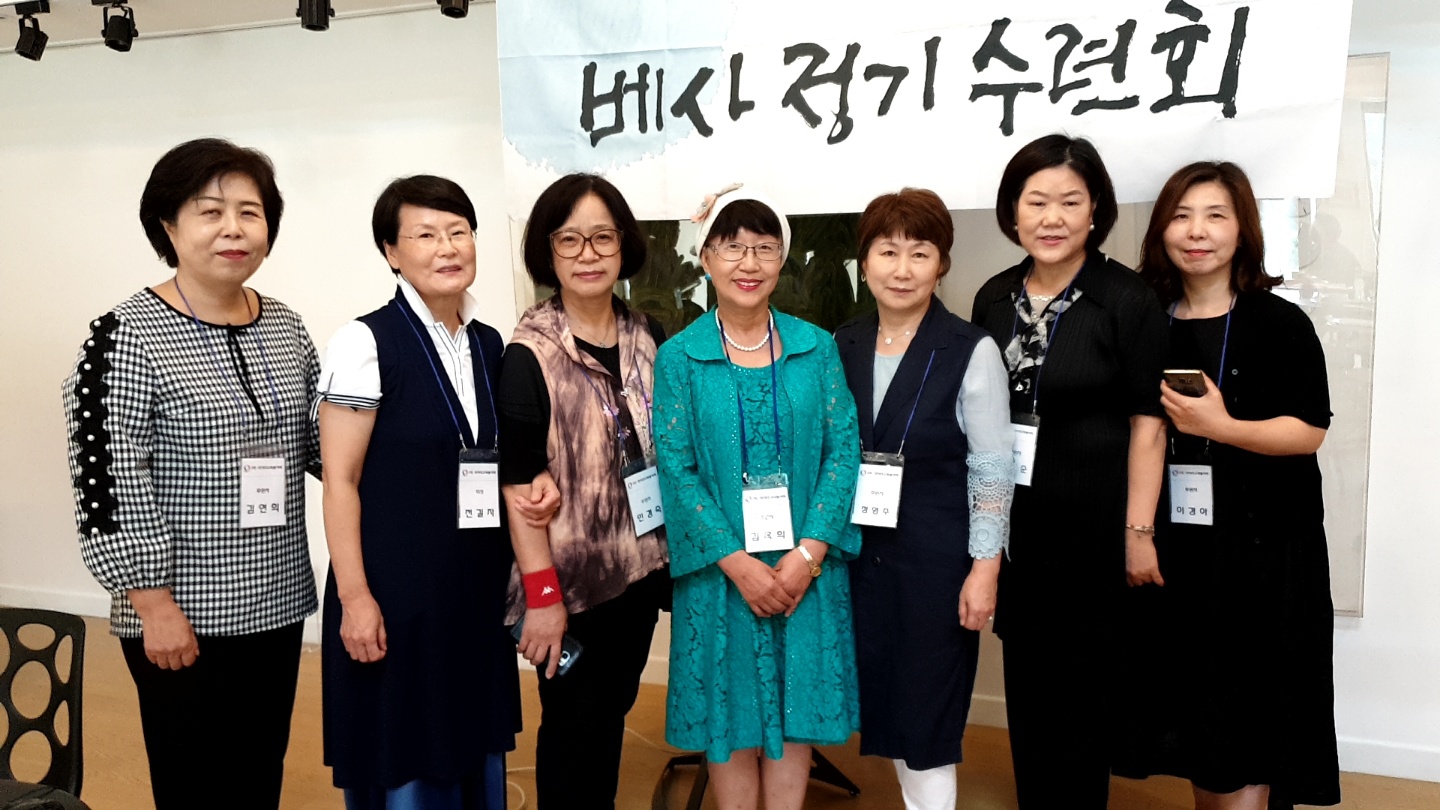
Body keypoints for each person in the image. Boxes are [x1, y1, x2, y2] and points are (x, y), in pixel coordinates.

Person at [62, 138, 317, 810]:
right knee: (195, 782)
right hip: (183, 612)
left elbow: (322, 442)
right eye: (210, 212)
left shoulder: (285, 326)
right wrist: (151, 602)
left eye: (250, 212)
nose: (234, 229)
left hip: (277, 598)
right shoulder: (125, 334)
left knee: (259, 768)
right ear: (169, 227)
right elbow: (107, 479)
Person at [316, 175, 558, 809]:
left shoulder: (487, 342)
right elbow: (340, 482)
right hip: (395, 591)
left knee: (468, 736)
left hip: (472, 586)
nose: (448, 247)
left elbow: (494, 456)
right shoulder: (365, 342)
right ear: (392, 252)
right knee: (408, 745)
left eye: (459, 232)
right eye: (425, 235)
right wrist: (355, 598)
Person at [1120, 161, 1339, 810]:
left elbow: (1309, 431)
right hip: (1184, 548)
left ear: (1243, 229)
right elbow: (1142, 430)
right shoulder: (1149, 321)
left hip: (1267, 551)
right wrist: (1137, 533)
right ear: (1161, 229)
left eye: (1215, 215)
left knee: (1257, 714)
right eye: (1182, 216)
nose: (1197, 231)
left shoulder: (1279, 323)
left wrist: (1222, 426)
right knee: (1203, 718)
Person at [969, 134, 1169, 809]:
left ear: (1095, 211)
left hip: (1094, 533)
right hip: (1018, 532)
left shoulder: (1126, 300)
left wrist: (1137, 532)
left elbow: (1149, 424)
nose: (1051, 218)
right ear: (1013, 211)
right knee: (1028, 696)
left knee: (1083, 706)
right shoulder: (994, 299)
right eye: (1036, 202)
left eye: (1069, 202)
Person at [653, 186, 862, 810]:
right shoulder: (679, 358)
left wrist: (808, 555)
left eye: (765, 248)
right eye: (733, 247)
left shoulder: (815, 347)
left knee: (796, 719)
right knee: (730, 722)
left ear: (781, 259)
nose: (749, 263)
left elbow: (842, 452)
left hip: (805, 572)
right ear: (706, 258)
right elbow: (676, 469)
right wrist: (738, 564)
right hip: (721, 576)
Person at [833, 188, 1014, 810]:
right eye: (888, 252)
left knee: (927, 718)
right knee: (877, 703)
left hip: (937, 567)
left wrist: (984, 570)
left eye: (920, 252)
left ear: (942, 264)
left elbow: (992, 470)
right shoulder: (842, 344)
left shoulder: (970, 349)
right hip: (856, 561)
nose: (902, 269)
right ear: (865, 262)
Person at [497, 173, 670, 810]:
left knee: (610, 712)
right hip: (568, 588)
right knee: (574, 728)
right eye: (569, 240)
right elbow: (520, 489)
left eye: (602, 237)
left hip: (639, 568)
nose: (588, 254)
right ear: (548, 253)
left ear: (624, 245)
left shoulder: (649, 336)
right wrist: (543, 599)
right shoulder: (529, 354)